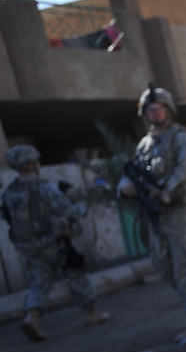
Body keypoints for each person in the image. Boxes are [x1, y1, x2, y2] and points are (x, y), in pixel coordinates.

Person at [117, 83, 186, 343]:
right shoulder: (145, 145)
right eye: (150, 109)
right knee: (165, 266)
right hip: (157, 216)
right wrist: (126, 189)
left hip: (181, 212)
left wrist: (167, 188)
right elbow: (132, 174)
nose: (154, 113)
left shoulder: (181, 139)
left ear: (169, 110)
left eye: (159, 108)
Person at [1, 145, 110, 341]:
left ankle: (32, 316)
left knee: (39, 284)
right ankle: (91, 313)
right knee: (76, 274)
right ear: (33, 164)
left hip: (27, 247)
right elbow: (72, 211)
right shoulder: (44, 188)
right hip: (55, 243)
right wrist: (87, 203)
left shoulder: (9, 192)